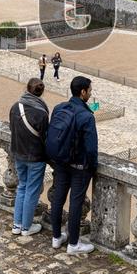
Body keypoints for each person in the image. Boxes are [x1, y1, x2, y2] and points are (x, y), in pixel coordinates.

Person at [46, 75, 99, 255]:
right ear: (83, 92)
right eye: (90, 91)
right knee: (75, 203)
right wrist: (91, 167)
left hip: (60, 162)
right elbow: (91, 149)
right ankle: (74, 243)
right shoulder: (87, 116)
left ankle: (56, 237)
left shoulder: (59, 108)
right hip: (79, 167)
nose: (90, 94)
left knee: (58, 199)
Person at [8, 78, 49, 237]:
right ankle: (26, 227)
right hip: (36, 157)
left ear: (27, 89)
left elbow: (12, 128)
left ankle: (16, 225)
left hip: (19, 153)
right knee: (31, 191)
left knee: (22, 188)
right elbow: (45, 137)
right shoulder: (42, 112)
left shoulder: (15, 107)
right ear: (41, 93)